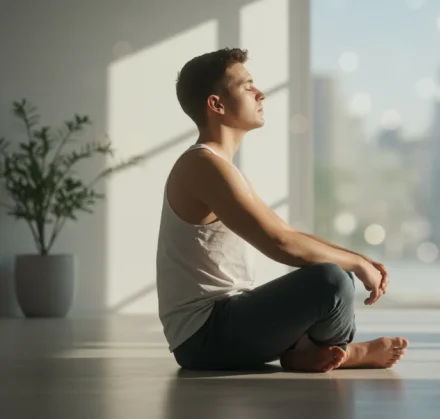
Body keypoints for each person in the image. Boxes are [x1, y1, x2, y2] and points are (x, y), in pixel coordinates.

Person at [155, 47, 408, 372]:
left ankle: (306, 351)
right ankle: (343, 352)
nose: (260, 94)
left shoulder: (221, 166)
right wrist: (356, 264)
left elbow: (287, 232)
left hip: (224, 322)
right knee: (331, 280)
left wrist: (356, 257)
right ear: (216, 104)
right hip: (204, 336)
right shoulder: (203, 165)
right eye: (247, 87)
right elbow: (280, 243)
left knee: (337, 271)